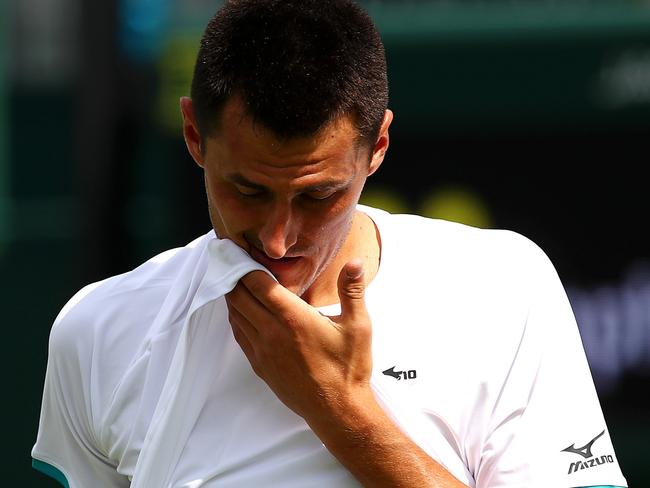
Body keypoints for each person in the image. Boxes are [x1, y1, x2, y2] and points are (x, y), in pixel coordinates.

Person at [31, 1, 628, 487]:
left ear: (379, 147)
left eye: (318, 197)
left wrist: (340, 409)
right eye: (248, 190)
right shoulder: (96, 330)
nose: (277, 237)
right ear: (194, 135)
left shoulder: (505, 284)